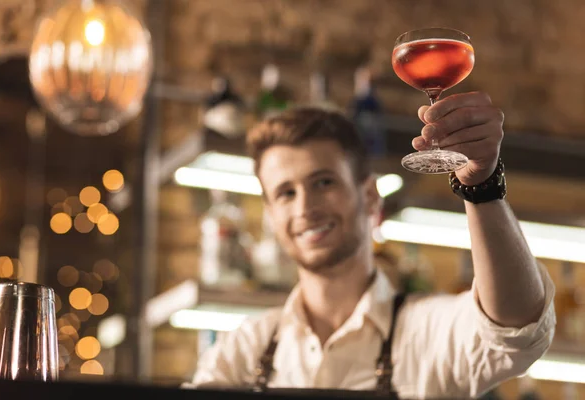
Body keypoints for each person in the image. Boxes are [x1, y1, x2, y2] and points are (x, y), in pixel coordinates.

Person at [186, 92, 556, 399]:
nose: (305, 208)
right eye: (286, 192)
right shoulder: (243, 351)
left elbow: (516, 326)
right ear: (270, 212)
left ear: (370, 197)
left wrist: (483, 187)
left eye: (324, 182)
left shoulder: (429, 331)